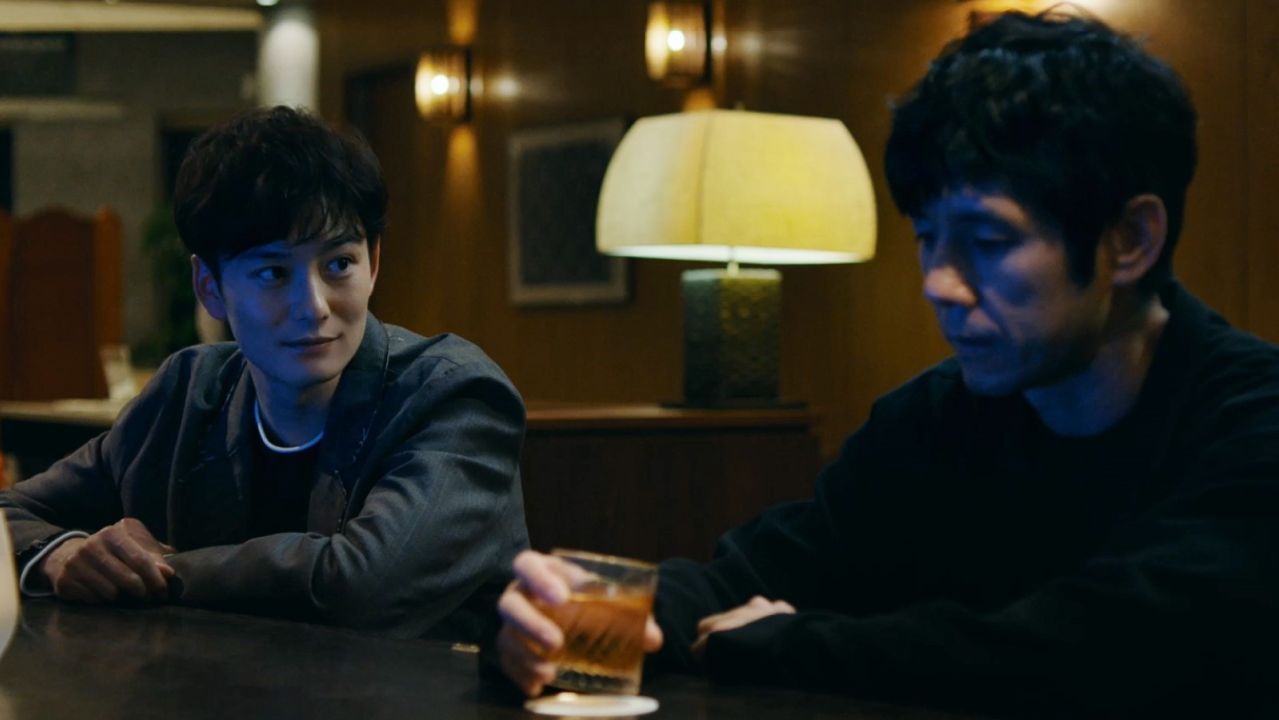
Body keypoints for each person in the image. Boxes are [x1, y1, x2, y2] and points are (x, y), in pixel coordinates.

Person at [494, 10, 1279, 716]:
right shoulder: (933, 417)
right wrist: (584, 619)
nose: (939, 283)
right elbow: (757, 572)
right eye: (927, 238)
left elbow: (1096, 652)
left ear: (1130, 240)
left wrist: (788, 645)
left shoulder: (1251, 421)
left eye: (989, 240)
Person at [0, 106, 529, 642]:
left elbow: (357, 586)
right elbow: (9, 511)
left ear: (373, 263)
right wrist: (59, 554)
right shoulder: (188, 392)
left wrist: (152, 571)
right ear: (209, 287)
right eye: (273, 272)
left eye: (339, 264)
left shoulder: (453, 397)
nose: (314, 306)